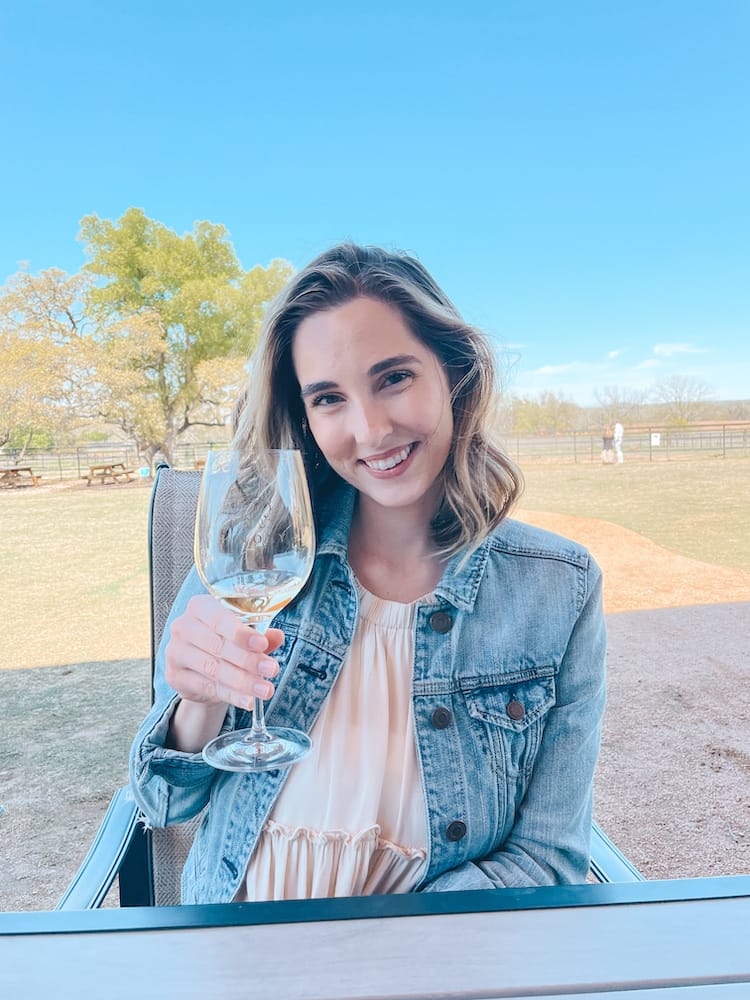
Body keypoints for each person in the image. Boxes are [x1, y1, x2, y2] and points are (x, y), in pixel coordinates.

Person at [130, 243, 607, 905]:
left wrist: (378, 953)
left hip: (433, 962)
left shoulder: (560, 589)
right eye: (329, 398)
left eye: (393, 378)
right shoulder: (250, 559)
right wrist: (201, 700)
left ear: (453, 372)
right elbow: (163, 801)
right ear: (303, 417)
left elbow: (548, 860)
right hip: (233, 950)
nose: (371, 429)